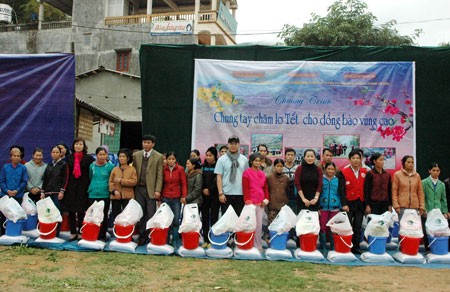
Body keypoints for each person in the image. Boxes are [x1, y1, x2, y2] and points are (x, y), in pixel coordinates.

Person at [133, 134, 164, 245]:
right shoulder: (136, 155)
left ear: (153, 144)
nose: (145, 144)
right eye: (144, 142)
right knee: (140, 213)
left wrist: (158, 190)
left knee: (151, 213)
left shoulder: (158, 156)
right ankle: (142, 237)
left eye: (148, 142)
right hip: (139, 189)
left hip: (151, 189)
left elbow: (160, 175)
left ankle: (150, 236)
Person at [62, 137, 95, 241]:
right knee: (71, 211)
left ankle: (80, 232)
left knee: (81, 211)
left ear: (84, 146)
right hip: (71, 187)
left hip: (83, 187)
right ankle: (72, 232)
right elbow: (66, 174)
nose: (78, 146)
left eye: (80, 144)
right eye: (76, 144)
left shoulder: (89, 159)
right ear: (73, 146)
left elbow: (91, 174)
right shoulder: (69, 158)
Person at [338, 149, 367, 254]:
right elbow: (341, 190)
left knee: (358, 226)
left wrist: (366, 204)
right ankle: (346, 245)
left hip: (360, 203)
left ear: (361, 160)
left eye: (357, 158)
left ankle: (356, 247)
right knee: (347, 226)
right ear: (349, 160)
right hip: (348, 204)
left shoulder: (364, 172)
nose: (355, 160)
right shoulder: (343, 172)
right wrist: (344, 204)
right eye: (353, 158)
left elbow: (367, 189)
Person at [215, 135, 248, 216]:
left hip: (240, 194)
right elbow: (219, 177)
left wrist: (247, 195)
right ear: (228, 145)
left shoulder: (244, 159)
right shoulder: (221, 159)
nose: (233, 145)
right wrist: (220, 193)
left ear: (239, 145)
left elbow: (247, 177)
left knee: (238, 220)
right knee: (226, 220)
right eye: (231, 143)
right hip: (226, 194)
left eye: (235, 143)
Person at [242, 153, 269, 252]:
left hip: (261, 203)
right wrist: (248, 201)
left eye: (259, 161)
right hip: (250, 203)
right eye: (256, 160)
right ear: (251, 161)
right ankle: (247, 243)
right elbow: (245, 188)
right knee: (249, 224)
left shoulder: (262, 173)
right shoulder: (246, 173)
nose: (257, 162)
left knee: (259, 225)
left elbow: (265, 188)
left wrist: (266, 199)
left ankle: (257, 245)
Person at [87, 147, 114, 241]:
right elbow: (91, 177)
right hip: (93, 194)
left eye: (104, 154)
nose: (102, 157)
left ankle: (102, 236)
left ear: (107, 155)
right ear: (96, 155)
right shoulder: (92, 166)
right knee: (93, 215)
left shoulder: (110, 167)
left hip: (105, 194)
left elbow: (111, 180)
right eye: (100, 154)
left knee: (103, 215)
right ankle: (93, 234)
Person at [161, 151, 187, 247]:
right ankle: (166, 241)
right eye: (169, 159)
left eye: (173, 159)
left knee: (176, 221)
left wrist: (183, 196)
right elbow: (161, 183)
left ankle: (175, 241)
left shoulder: (180, 169)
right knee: (167, 220)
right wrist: (160, 198)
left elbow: (184, 183)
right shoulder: (163, 169)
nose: (171, 161)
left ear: (175, 160)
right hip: (166, 198)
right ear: (166, 160)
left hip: (176, 198)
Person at [0, 148, 28, 235]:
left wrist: (17, 190)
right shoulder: (5, 167)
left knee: (15, 215)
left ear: (20, 158)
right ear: (11, 157)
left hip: (18, 195)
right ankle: (2, 233)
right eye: (14, 156)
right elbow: (1, 180)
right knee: (4, 216)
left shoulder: (23, 168)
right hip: (5, 195)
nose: (16, 158)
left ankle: (14, 233)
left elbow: (24, 181)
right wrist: (7, 190)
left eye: (18, 156)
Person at [421, 162, 448, 251]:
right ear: (429, 171)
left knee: (437, 229)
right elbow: (422, 197)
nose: (436, 172)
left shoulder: (442, 184)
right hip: (427, 210)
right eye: (434, 170)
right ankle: (428, 249)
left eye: (437, 170)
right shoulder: (424, 182)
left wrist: (444, 211)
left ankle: (436, 248)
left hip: (438, 211)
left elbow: (443, 199)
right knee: (427, 229)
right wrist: (423, 209)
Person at [392, 155, 425, 220]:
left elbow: (420, 192)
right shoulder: (397, 175)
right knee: (403, 228)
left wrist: (422, 206)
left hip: (415, 207)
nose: (410, 164)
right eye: (408, 162)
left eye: (412, 162)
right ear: (404, 163)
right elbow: (394, 191)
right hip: (402, 207)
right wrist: (396, 206)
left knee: (414, 228)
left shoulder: (417, 176)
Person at [109, 148, 137, 224]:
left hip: (128, 196)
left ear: (128, 158)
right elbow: (110, 182)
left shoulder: (132, 169)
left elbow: (134, 181)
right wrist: (114, 191)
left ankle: (127, 233)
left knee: (127, 217)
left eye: (123, 157)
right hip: (116, 196)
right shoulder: (115, 169)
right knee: (116, 216)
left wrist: (121, 181)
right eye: (120, 156)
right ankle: (117, 232)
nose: (121, 158)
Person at [319, 162, 341, 251]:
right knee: (323, 226)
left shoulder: (338, 180)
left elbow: (340, 194)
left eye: (332, 169)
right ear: (325, 170)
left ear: (335, 170)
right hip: (323, 207)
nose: (330, 171)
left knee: (333, 227)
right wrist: (318, 207)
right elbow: (318, 193)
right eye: (328, 169)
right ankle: (323, 246)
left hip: (335, 208)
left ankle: (333, 247)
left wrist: (340, 206)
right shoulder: (321, 180)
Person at [201, 146, 220, 248]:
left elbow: (217, 180)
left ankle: (213, 239)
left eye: (210, 155)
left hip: (214, 196)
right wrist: (204, 189)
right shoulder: (203, 166)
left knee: (214, 218)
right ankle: (205, 240)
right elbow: (201, 179)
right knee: (204, 218)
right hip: (204, 197)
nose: (208, 157)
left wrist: (210, 190)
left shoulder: (218, 166)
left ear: (215, 156)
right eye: (207, 155)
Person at [41, 145, 68, 211]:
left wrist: (62, 192)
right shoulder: (49, 165)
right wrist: (42, 192)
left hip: (57, 193)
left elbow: (65, 179)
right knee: (49, 212)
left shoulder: (64, 164)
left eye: (57, 152)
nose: (55, 154)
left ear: (60, 153)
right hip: (48, 193)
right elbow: (45, 179)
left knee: (56, 212)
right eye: (53, 152)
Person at [267, 158, 289, 225]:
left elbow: (287, 190)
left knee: (282, 225)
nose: (279, 168)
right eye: (277, 166)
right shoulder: (269, 178)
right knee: (272, 225)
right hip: (272, 205)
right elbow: (267, 190)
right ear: (274, 167)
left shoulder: (286, 178)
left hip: (283, 204)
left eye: (281, 166)